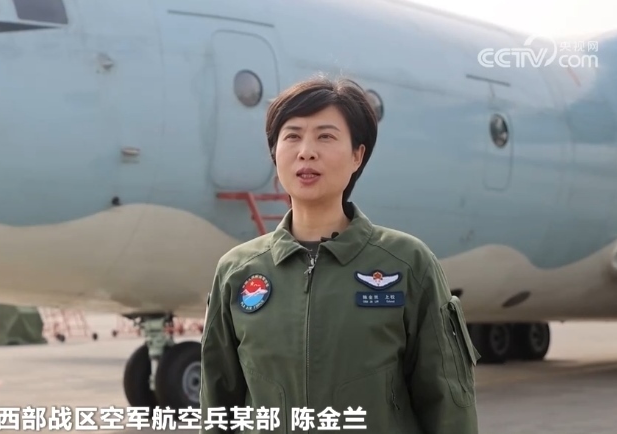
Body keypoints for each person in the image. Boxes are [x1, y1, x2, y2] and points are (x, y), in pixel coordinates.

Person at [199, 75, 480, 434]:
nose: (306, 151)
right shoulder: (237, 272)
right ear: (275, 153)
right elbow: (218, 407)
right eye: (292, 136)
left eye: (325, 136)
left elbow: (448, 403)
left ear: (357, 155)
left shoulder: (408, 264)